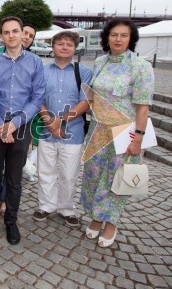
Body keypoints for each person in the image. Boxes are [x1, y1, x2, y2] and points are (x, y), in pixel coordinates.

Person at [81, 18, 154, 248]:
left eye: (123, 35)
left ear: (131, 38)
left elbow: (143, 106)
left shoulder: (140, 66)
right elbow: (92, 95)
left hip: (124, 132)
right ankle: (96, 215)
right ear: (107, 37)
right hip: (98, 129)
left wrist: (138, 138)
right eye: (114, 35)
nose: (118, 39)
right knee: (93, 175)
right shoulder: (100, 62)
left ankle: (111, 221)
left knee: (116, 178)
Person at [0, 16, 45, 245]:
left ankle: (11, 220)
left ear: (21, 32)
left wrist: (14, 124)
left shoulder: (35, 62)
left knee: (15, 178)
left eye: (15, 31)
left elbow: (37, 98)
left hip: (21, 126)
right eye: (7, 32)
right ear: (2, 36)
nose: (12, 35)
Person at [34, 31, 92, 228]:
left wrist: (61, 121)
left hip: (73, 132)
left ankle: (67, 209)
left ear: (75, 48)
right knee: (45, 171)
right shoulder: (42, 70)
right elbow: (36, 98)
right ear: (53, 47)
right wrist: (50, 122)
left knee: (68, 173)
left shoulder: (83, 72)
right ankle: (46, 206)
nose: (65, 47)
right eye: (60, 44)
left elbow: (86, 102)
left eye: (69, 44)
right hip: (46, 130)